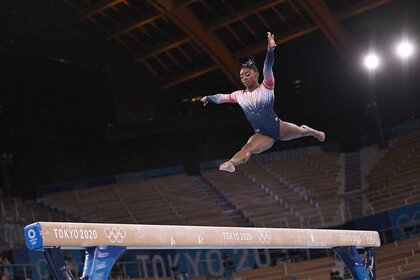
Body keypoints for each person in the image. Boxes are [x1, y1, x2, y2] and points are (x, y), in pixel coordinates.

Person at [201, 32, 325, 172]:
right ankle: (232, 163)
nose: (244, 78)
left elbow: (267, 67)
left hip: (278, 127)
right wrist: (209, 98)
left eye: (247, 75)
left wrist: (270, 51)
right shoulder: (239, 95)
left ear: (256, 75)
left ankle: (313, 131)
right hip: (262, 134)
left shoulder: (267, 86)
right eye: (242, 76)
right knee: (249, 147)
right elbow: (222, 98)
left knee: (301, 132)